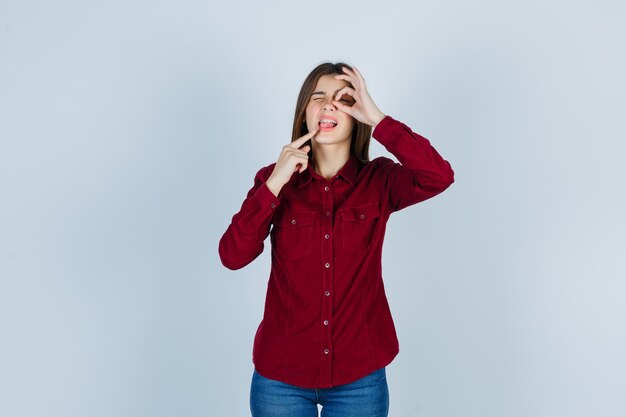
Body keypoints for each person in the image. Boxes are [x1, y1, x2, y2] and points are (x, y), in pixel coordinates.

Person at [218, 62, 454, 417]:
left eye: (342, 99)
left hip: (359, 377)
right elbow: (233, 255)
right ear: (304, 113)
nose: (329, 105)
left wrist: (378, 118)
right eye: (318, 97)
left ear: (355, 114)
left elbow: (438, 176)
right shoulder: (274, 181)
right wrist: (274, 185)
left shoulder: (380, 181)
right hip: (281, 378)